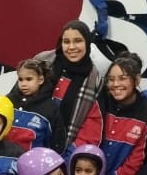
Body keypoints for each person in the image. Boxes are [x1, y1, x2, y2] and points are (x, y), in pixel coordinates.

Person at [34, 20, 105, 154]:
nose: (71, 47)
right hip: (28, 141)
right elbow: (19, 98)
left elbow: (91, 126)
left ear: (87, 42)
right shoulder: (42, 62)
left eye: (78, 41)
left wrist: (69, 155)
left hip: (62, 152)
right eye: (66, 42)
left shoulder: (94, 79)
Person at [6, 58, 64, 152]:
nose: (23, 84)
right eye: (20, 79)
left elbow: (56, 144)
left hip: (34, 159)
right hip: (6, 159)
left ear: (40, 80)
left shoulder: (50, 108)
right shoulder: (7, 101)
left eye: (29, 79)